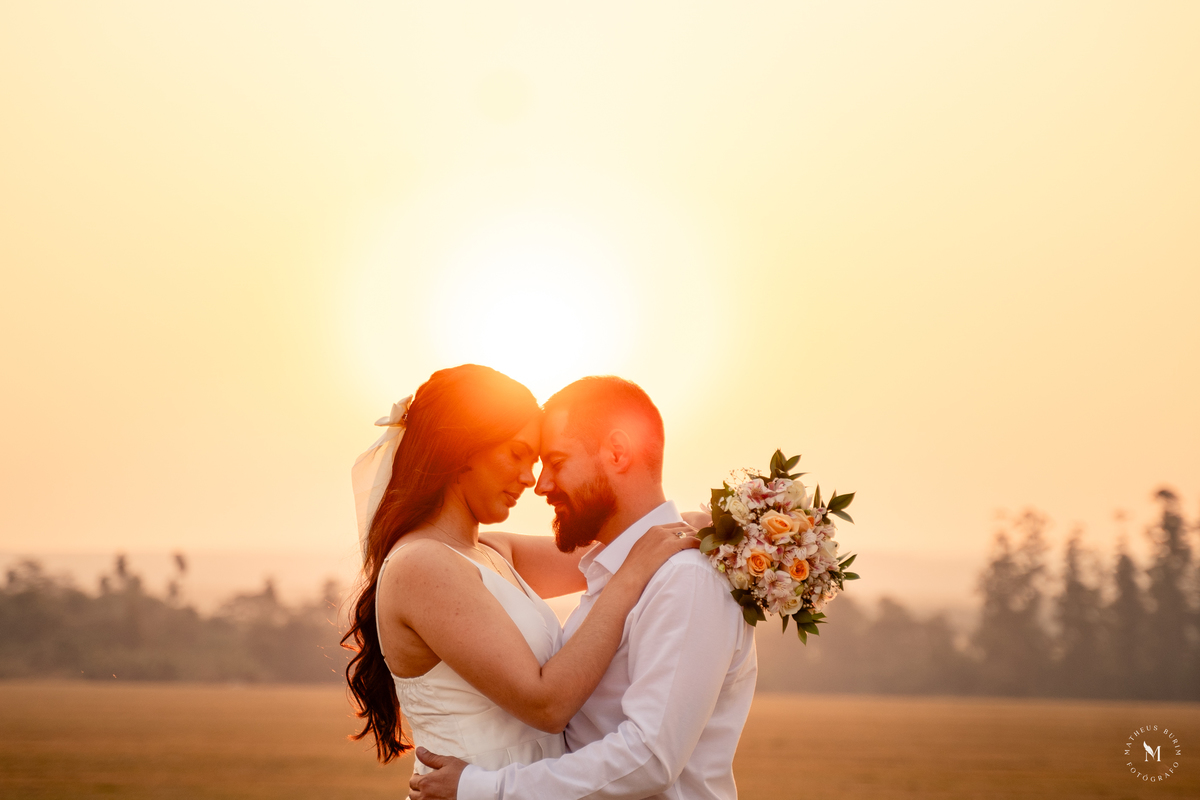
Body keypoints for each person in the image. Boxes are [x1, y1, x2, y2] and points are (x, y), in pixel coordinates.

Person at [409, 376, 758, 800]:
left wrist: (486, 788)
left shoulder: (687, 579)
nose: (541, 485)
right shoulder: (614, 570)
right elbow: (471, 553)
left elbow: (649, 758)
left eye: (556, 461)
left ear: (616, 451)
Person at [342, 364, 699, 776]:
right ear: (461, 448)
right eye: (516, 454)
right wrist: (633, 575)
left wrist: (728, 524)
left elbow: (628, 541)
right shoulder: (421, 565)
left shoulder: (493, 551)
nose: (531, 479)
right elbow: (545, 705)